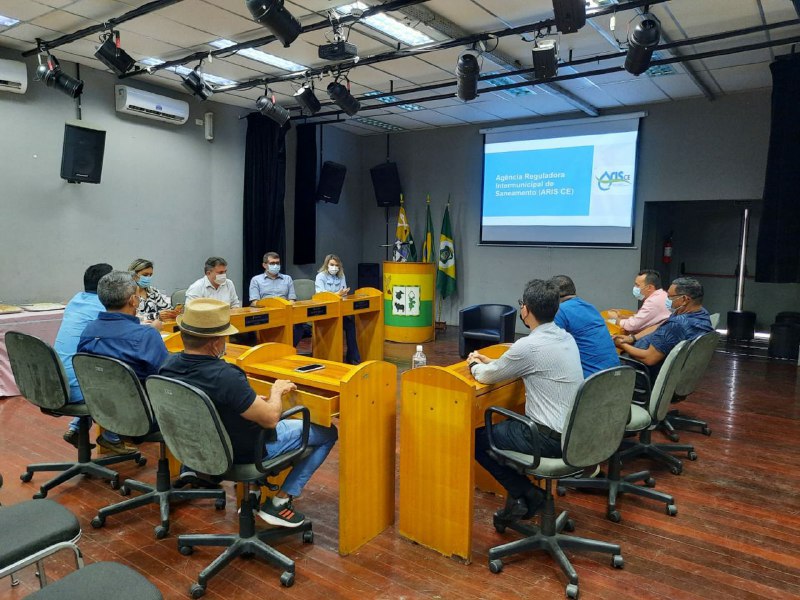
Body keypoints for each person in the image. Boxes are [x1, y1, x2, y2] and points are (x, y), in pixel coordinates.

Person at [159, 298, 338, 527]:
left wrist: (250, 401)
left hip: (196, 446)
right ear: (215, 343)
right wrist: (276, 392)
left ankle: (252, 492)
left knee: (252, 418)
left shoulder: (167, 366)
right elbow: (272, 419)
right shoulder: (226, 376)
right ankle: (280, 502)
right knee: (328, 432)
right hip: (241, 452)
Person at [471, 279, 583, 524]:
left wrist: (474, 362)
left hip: (547, 438)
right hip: (575, 433)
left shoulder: (529, 346)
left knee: (476, 440)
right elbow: (521, 366)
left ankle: (528, 494)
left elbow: (485, 376)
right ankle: (522, 496)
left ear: (526, 309)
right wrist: (493, 361)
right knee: (502, 427)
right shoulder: (566, 338)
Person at [78, 270, 169, 454]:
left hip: (100, 408)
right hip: (143, 417)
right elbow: (167, 377)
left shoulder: (89, 330)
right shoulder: (146, 336)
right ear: (132, 300)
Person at [55, 263, 113, 450]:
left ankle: (76, 428)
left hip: (55, 382)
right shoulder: (103, 309)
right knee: (124, 379)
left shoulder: (76, 300)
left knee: (90, 370)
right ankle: (113, 437)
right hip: (76, 387)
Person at [614, 276, 713, 380]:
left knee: (604, 365)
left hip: (641, 370)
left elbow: (649, 358)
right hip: (650, 362)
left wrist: (622, 344)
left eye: (670, 297)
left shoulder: (677, 325)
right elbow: (659, 325)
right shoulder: (701, 314)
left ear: (684, 299)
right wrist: (632, 338)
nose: (667, 300)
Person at [551, 275, 620, 379]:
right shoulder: (590, 306)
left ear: (553, 295)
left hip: (591, 383)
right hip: (618, 377)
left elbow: (549, 348)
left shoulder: (560, 311)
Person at [248, 251, 304, 347]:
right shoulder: (256, 280)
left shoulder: (287, 279)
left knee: (300, 325)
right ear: (264, 265)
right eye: (272, 263)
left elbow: (292, 299)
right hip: (266, 314)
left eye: (277, 263)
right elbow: (254, 302)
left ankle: (289, 348)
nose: (275, 265)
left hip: (285, 312)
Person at [315, 254, 360, 365]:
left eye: (337, 265)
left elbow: (343, 293)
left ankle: (353, 358)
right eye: (332, 265)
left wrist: (342, 294)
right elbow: (320, 295)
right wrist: (337, 294)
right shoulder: (320, 276)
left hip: (339, 311)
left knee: (350, 325)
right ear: (327, 265)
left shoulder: (341, 275)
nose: (334, 267)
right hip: (324, 312)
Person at [607, 269, 670, 334]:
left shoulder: (653, 302)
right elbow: (645, 317)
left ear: (649, 288)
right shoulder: (662, 295)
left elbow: (631, 325)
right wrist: (623, 316)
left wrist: (614, 318)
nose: (635, 288)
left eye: (637, 285)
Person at [128, 258, 178, 331]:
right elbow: (130, 317)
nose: (148, 278)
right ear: (134, 275)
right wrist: (157, 316)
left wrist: (171, 312)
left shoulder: (152, 291)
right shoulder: (127, 293)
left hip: (157, 330)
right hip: (138, 330)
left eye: (150, 275)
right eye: (145, 275)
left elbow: (165, 307)